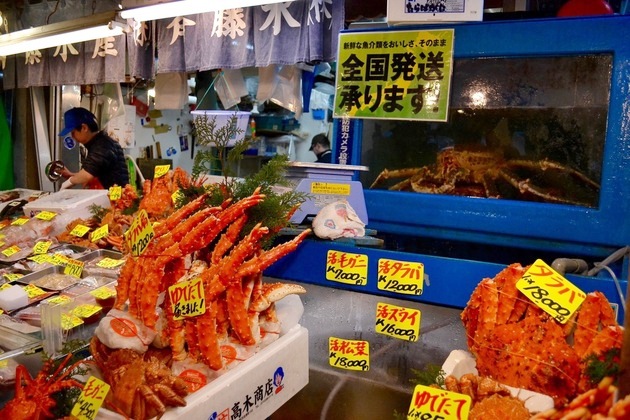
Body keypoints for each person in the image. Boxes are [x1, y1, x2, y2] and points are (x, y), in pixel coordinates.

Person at [58, 107, 129, 190]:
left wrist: (64, 186)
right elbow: (92, 172)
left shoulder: (103, 145)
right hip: (109, 195)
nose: (72, 137)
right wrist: (71, 175)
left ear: (84, 128)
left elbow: (86, 175)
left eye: (73, 133)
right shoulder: (97, 143)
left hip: (115, 198)